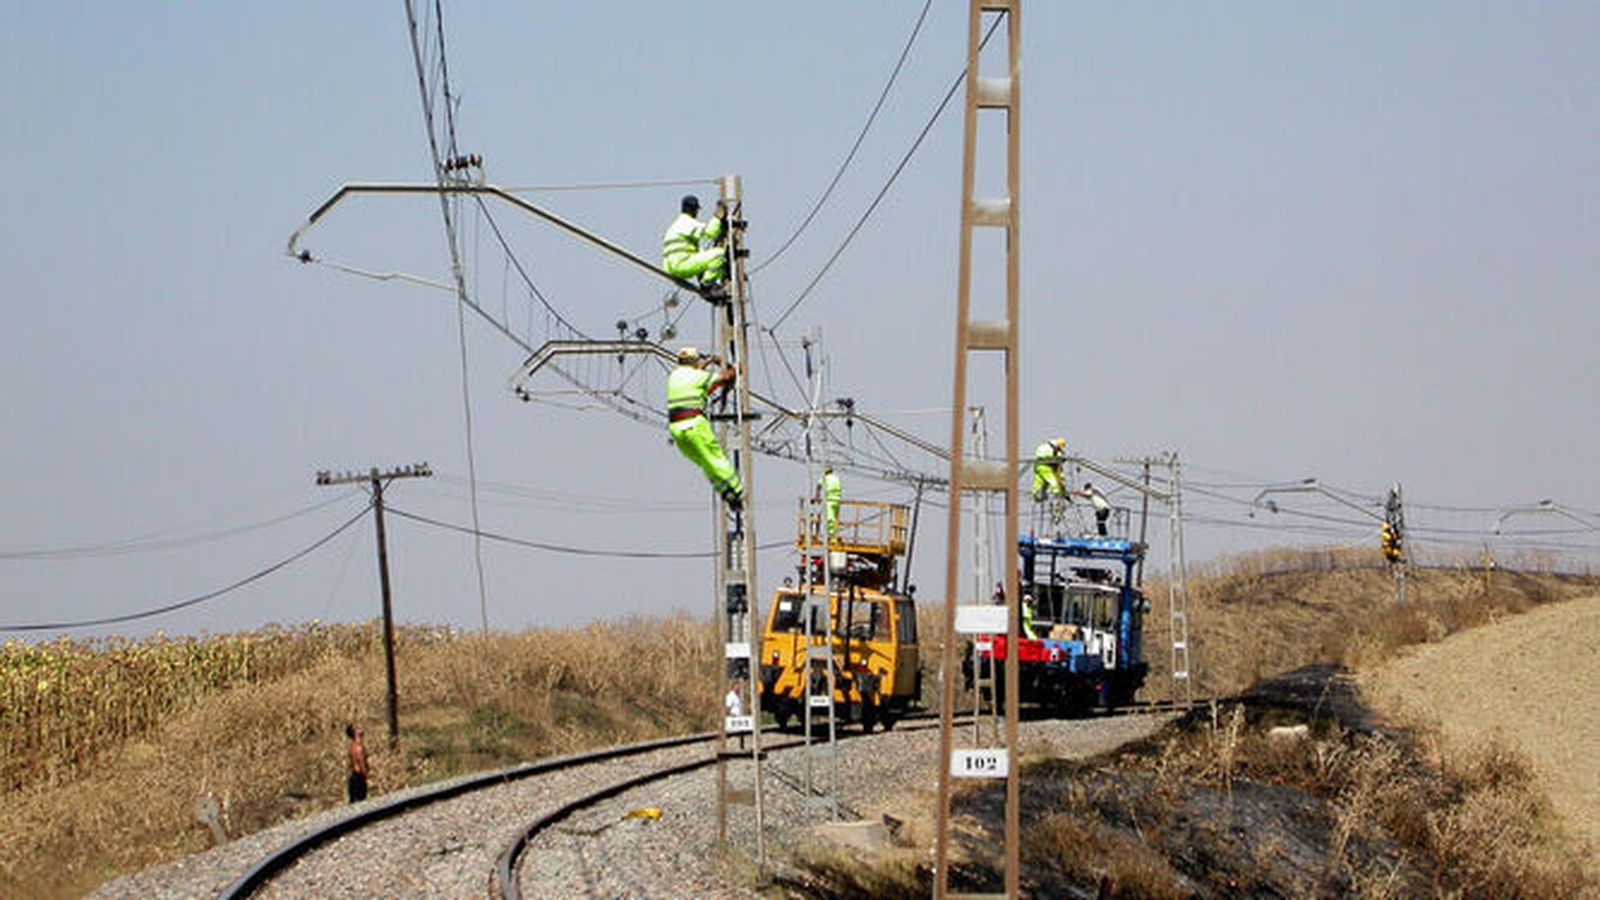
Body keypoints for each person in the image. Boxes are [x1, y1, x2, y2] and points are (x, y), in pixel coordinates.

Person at [666, 347, 744, 509]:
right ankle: (737, 490)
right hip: (694, 423)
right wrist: (736, 368)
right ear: (695, 361)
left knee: (704, 460)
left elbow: (700, 384)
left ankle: (724, 491)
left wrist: (707, 362)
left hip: (676, 429)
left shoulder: (674, 376)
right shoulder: (699, 376)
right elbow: (725, 378)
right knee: (715, 457)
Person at [661, 194, 727, 296]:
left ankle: (705, 281)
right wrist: (718, 217)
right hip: (681, 265)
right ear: (694, 210)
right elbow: (710, 232)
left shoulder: (675, 225)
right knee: (719, 254)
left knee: (703, 255)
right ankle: (708, 285)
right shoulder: (688, 223)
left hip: (670, 267)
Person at [345, 722, 370, 803]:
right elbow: (362, 764)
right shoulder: (359, 748)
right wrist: (366, 776)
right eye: (357, 728)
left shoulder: (352, 746)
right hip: (359, 778)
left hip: (354, 777)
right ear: (355, 733)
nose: (361, 728)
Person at [819, 466, 842, 540]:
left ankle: (831, 536)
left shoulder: (825, 478)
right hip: (837, 499)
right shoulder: (836, 478)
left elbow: (819, 486)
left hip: (830, 500)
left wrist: (817, 498)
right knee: (835, 518)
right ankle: (835, 535)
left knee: (830, 518)